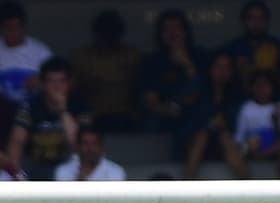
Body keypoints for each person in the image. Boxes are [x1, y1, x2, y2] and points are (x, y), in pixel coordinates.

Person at [0, 0, 52, 141]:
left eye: (17, 27)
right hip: (4, 109)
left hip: (33, 106)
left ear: (24, 26)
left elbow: (57, 82)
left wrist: (41, 81)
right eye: (8, 28)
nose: (13, 32)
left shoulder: (40, 51)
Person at [7, 57, 91, 180]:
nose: (56, 87)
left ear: (69, 83)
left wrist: (62, 110)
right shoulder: (31, 105)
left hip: (70, 168)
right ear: (42, 84)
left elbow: (78, 145)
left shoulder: (80, 105)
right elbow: (16, 142)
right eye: (51, 81)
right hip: (35, 166)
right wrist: (17, 175)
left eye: (62, 81)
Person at [70, 9, 142, 132]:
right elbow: (71, 89)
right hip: (92, 115)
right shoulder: (81, 57)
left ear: (120, 34)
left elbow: (141, 88)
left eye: (112, 33)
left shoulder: (133, 56)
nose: (108, 38)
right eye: (105, 33)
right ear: (97, 33)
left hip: (125, 115)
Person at [138, 9, 205, 139]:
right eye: (167, 29)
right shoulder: (152, 61)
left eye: (177, 28)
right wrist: (168, 109)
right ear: (160, 33)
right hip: (164, 113)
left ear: (185, 31)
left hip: (194, 112)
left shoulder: (200, 56)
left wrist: (187, 64)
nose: (173, 33)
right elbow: (150, 99)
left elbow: (205, 90)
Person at [181, 51, 248, 179]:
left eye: (227, 67)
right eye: (218, 66)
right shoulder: (199, 92)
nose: (222, 71)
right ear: (210, 69)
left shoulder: (237, 95)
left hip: (227, 143)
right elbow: (191, 122)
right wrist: (211, 124)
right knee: (202, 136)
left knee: (224, 136)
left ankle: (250, 186)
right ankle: (186, 184)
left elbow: (236, 124)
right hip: (196, 142)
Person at [223, 1, 280, 89]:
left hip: (270, 98)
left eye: (261, 18)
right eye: (251, 18)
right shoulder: (233, 47)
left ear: (267, 21)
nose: (256, 23)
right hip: (239, 98)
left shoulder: (278, 46)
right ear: (243, 21)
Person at [234, 70, 280, 162]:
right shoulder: (246, 108)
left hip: (274, 152)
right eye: (258, 85)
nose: (262, 89)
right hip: (251, 151)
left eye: (266, 85)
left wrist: (276, 122)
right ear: (252, 88)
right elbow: (239, 137)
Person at [54, 124, 125, 181]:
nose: (90, 148)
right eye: (85, 143)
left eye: (95, 143)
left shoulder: (116, 172)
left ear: (102, 146)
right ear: (78, 146)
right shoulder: (62, 171)